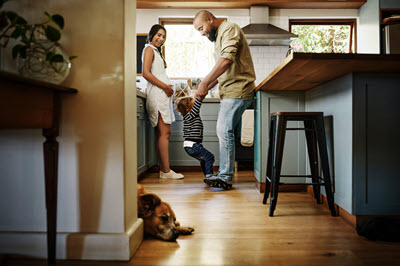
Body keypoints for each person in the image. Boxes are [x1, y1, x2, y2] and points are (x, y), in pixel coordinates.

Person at [193, 10, 256, 190]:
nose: (202, 33)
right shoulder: (219, 36)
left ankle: (225, 177)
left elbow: (226, 60)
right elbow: (223, 70)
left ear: (210, 19)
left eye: (201, 28)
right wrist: (207, 87)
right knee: (224, 130)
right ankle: (224, 175)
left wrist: (205, 82)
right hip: (229, 90)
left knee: (223, 130)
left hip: (238, 89)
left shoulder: (229, 28)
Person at [142, 24, 184, 179]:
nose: (161, 39)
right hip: (158, 95)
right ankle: (166, 171)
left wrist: (167, 87)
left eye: (163, 37)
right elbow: (146, 73)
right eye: (158, 35)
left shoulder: (155, 52)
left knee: (162, 132)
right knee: (165, 132)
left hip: (161, 95)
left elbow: (156, 74)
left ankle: (164, 170)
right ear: (151, 34)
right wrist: (165, 87)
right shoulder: (149, 49)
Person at [175, 96, 215, 178]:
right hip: (193, 145)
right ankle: (209, 176)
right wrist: (200, 97)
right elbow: (197, 105)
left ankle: (208, 176)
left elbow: (195, 107)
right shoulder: (190, 115)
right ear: (189, 109)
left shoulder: (189, 116)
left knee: (204, 159)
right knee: (209, 157)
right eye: (192, 101)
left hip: (192, 145)